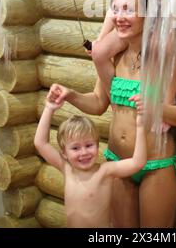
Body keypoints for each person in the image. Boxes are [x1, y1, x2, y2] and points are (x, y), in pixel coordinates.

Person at [48, 0, 176, 227]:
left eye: (129, 10)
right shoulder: (114, 58)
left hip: (157, 167)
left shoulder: (173, 61)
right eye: (116, 9)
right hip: (117, 163)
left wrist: (156, 109)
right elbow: (99, 103)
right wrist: (71, 95)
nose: (119, 17)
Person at [34, 89, 147, 228]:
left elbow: (138, 162)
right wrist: (49, 108)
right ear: (64, 153)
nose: (84, 152)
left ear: (97, 145)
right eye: (75, 148)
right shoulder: (66, 168)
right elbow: (40, 143)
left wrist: (141, 126)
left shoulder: (105, 171)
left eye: (89, 145)